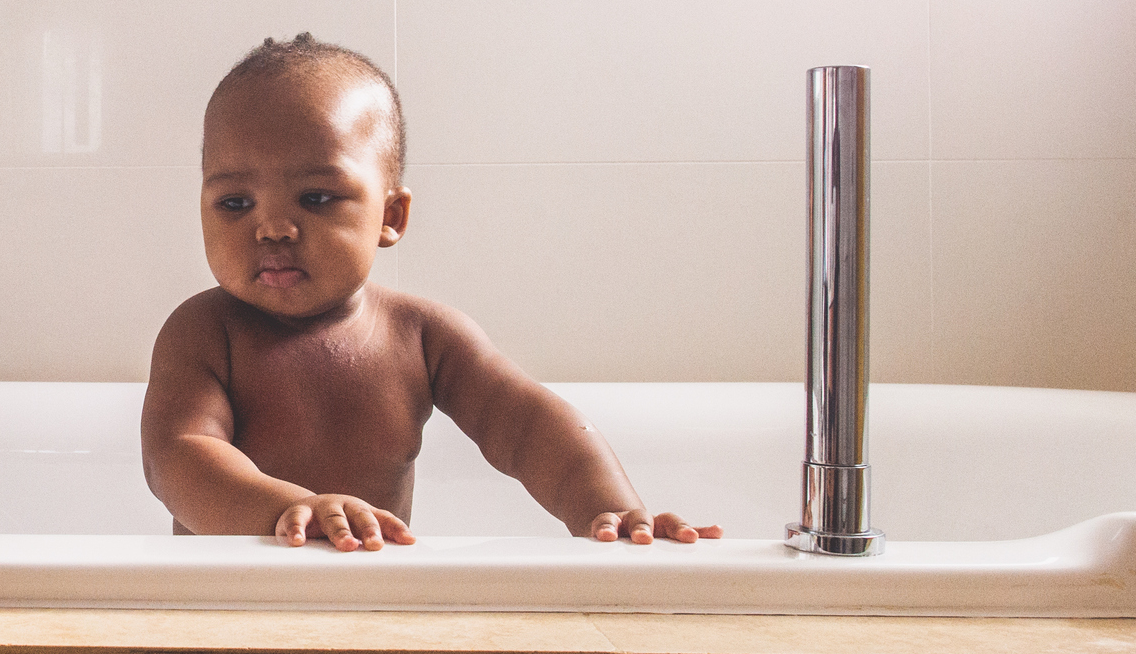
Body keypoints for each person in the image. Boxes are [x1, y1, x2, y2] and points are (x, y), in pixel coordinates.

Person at [141, 34, 722, 552]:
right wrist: (284, 511)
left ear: (390, 214)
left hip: (375, 602)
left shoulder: (419, 337)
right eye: (234, 204)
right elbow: (179, 456)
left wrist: (610, 512)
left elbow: (526, 425)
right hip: (226, 608)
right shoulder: (206, 333)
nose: (272, 228)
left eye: (315, 198)